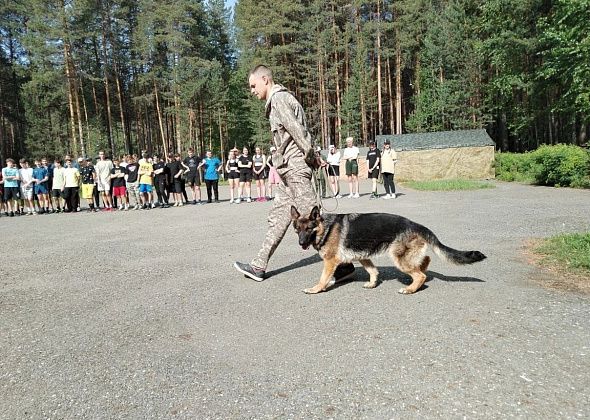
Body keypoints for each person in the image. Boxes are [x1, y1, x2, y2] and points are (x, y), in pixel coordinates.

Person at [233, 65, 355, 283]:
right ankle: (258, 266)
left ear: (265, 80)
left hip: (296, 169)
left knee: (314, 218)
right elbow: (299, 130)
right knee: (279, 218)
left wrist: (312, 155)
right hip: (287, 172)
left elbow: (296, 130)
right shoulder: (280, 100)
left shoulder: (279, 100)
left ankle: (344, 265)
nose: (252, 91)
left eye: (253, 86)